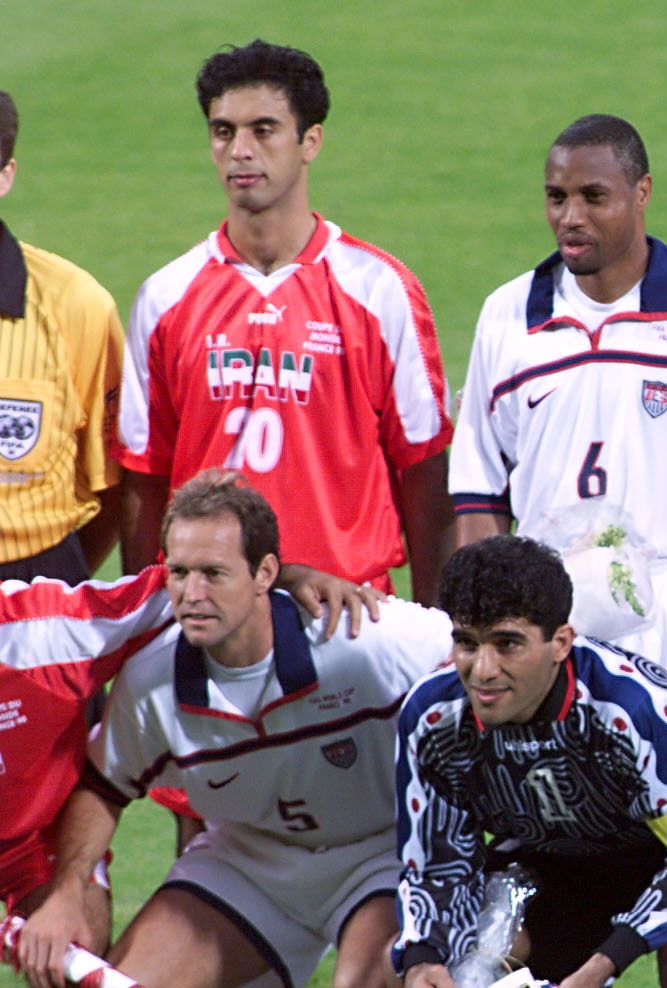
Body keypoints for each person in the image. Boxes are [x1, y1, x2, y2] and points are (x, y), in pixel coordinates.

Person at [21, 472, 448, 988]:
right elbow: (104, 787)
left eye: (215, 573)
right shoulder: (153, 679)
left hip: (374, 853)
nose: (192, 594)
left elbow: (479, 662)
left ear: (267, 575)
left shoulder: (363, 635)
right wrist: (70, 886)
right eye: (180, 572)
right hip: (247, 857)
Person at [448, 113, 667, 762]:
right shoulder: (507, 316)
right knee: (559, 802)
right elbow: (477, 487)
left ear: (641, 193)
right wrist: (490, 624)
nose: (569, 216)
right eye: (556, 198)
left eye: (592, 197)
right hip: (549, 613)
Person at [0, 554, 371, 988]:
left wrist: (294, 577)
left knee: (71, 972)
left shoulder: (44, 633)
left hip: (37, 838)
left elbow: (192, 585)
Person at [116, 40, 452, 601]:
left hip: (349, 618)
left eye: (263, 130)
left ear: (310, 141)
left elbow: (424, 473)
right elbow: (145, 479)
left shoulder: (379, 290)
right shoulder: (164, 298)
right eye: (223, 132)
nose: (239, 150)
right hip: (211, 617)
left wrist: (437, 627)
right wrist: (146, 615)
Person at [393, 534, 667, 988]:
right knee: (449, 960)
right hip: (560, 862)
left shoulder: (633, 706)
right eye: (467, 642)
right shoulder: (433, 718)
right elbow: (437, 866)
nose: (481, 670)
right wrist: (422, 957)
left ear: (561, 643)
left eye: (507, 643)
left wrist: (602, 965)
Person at [0, 89, 124, 585]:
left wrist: (53, 595)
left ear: (5, 176)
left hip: (32, 593)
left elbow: (115, 486)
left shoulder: (77, 306)